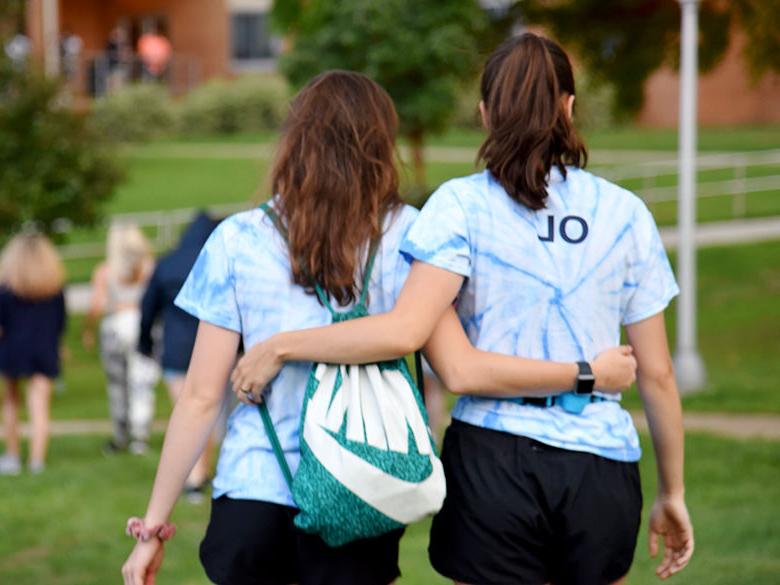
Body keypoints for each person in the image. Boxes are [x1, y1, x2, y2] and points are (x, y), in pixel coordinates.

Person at [121, 70, 636, 585]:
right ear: (379, 145)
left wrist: (153, 529)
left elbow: (199, 397)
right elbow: (454, 362)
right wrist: (584, 371)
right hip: (365, 485)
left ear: (294, 143)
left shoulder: (237, 240)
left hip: (254, 489)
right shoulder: (412, 234)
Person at [232, 34, 694, 585]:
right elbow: (659, 375)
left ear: (484, 113)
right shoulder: (626, 213)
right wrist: (672, 492)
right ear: (569, 108)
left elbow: (442, 358)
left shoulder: (458, 206)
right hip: (599, 466)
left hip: (492, 464)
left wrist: (282, 344)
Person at [138, 212, 220, 502]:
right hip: (212, 346)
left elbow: (148, 307)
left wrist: (144, 342)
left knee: (186, 409)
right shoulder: (217, 261)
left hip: (175, 345)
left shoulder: (167, 263)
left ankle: (195, 475)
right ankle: (200, 473)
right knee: (207, 408)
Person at [84, 223, 158, 455]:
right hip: (141, 325)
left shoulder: (105, 271)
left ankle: (120, 433)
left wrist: (88, 329)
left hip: (115, 326)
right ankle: (140, 435)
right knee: (141, 383)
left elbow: (97, 304)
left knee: (118, 384)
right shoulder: (149, 269)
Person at [0, 233, 66, 475]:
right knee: (39, 406)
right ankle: (37, 460)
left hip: (13, 350)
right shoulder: (54, 289)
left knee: (11, 402)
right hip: (44, 349)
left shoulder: (7, 290)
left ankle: (13, 455)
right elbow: (61, 322)